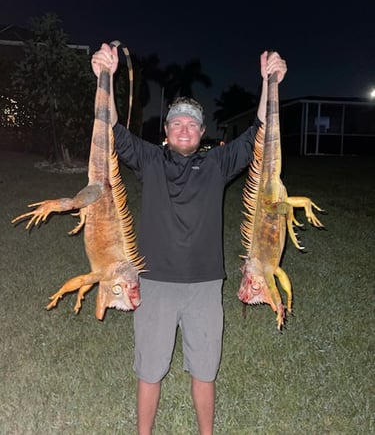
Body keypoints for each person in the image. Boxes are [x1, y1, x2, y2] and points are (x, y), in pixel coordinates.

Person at [91, 44, 287, 435]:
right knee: (150, 370)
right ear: (166, 132)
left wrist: (271, 82)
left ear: (202, 132)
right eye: (177, 123)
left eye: (192, 124)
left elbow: (262, 133)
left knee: (205, 370)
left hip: (204, 284)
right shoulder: (149, 160)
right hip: (155, 283)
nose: (184, 129)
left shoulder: (217, 163)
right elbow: (108, 127)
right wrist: (104, 75)